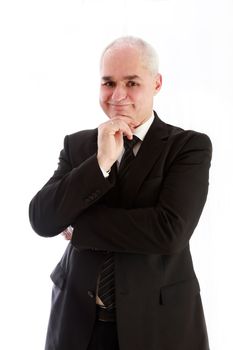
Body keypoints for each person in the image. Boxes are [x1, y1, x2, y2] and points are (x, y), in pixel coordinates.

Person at [29, 36, 212, 350]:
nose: (118, 95)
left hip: (157, 324)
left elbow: (168, 231)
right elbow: (43, 219)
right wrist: (100, 162)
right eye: (108, 83)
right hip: (78, 322)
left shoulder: (188, 147)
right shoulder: (79, 145)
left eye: (132, 83)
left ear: (156, 83)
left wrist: (80, 225)